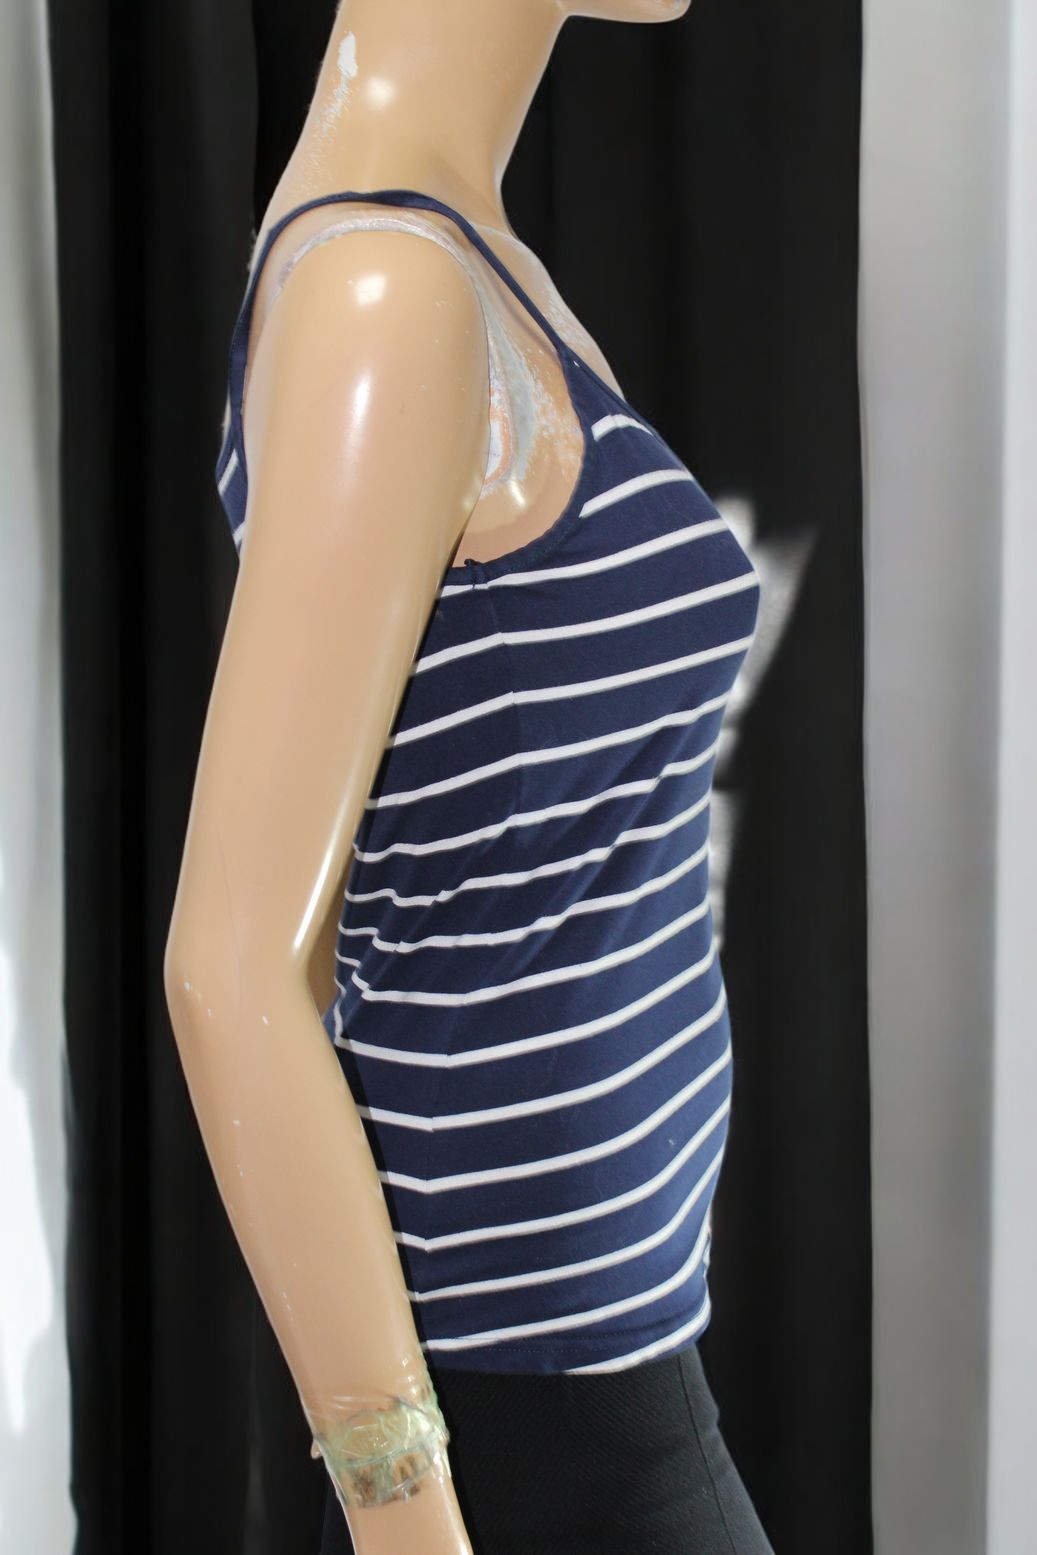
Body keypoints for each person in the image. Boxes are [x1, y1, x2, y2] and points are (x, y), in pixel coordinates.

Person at [165, 1, 773, 1550]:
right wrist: (403, 1513)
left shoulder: (462, 260)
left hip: (605, 1381)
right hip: (531, 1436)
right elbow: (231, 967)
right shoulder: (386, 293)